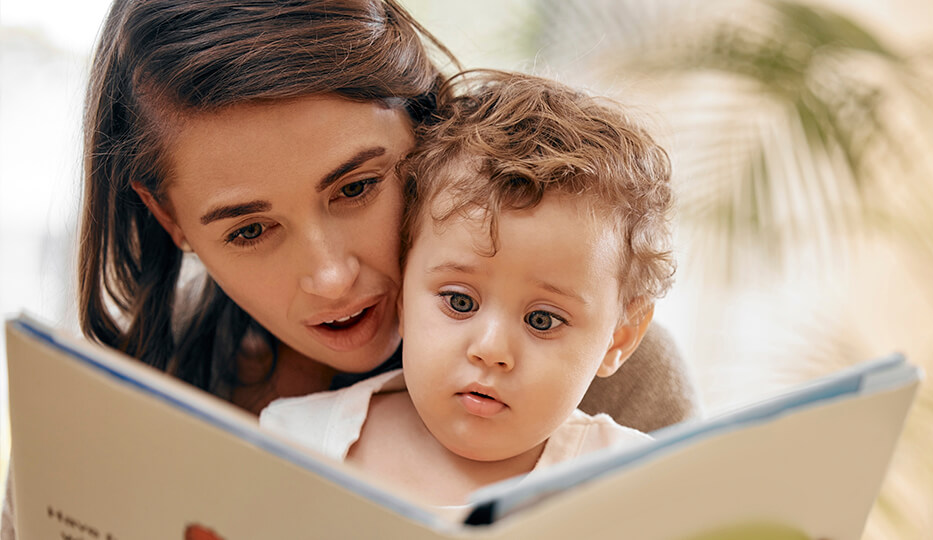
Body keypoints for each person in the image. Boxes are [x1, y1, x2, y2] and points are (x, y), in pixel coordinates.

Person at [3, 0, 699, 536]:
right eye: (250, 230)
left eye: (357, 187)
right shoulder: (105, 408)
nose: (333, 278)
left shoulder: (612, 373)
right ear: (171, 222)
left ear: (423, 127)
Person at [260, 70, 675, 511]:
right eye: (460, 302)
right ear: (402, 293)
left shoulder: (635, 485)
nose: (491, 349)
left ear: (619, 338)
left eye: (542, 320)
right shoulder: (295, 443)